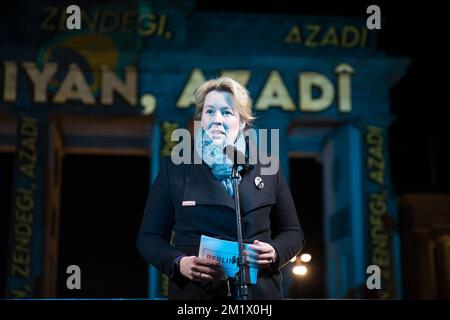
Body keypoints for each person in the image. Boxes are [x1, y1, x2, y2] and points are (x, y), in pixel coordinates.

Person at [137, 77, 304, 299]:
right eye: (209, 112)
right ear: (201, 119)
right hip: (197, 296)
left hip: (259, 295)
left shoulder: (267, 167)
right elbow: (149, 238)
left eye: (227, 112)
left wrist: (275, 252)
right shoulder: (175, 168)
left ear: (242, 122)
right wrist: (178, 263)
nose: (217, 119)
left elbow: (293, 233)